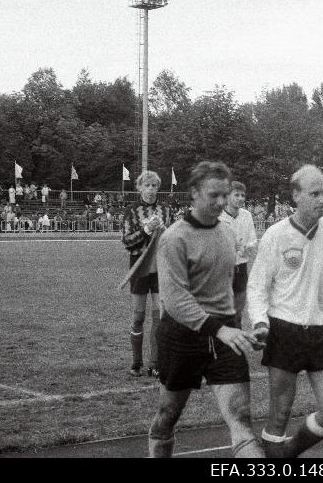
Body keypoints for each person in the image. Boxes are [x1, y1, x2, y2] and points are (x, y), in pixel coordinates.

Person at [150, 161, 264, 458]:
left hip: (224, 335)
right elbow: (175, 300)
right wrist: (220, 329)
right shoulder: (174, 238)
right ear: (194, 193)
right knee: (167, 416)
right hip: (182, 335)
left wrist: (240, 327)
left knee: (241, 419)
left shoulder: (228, 234)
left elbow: (235, 285)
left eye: (225, 195)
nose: (221, 202)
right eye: (214, 195)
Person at [247, 164, 323, 458]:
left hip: (322, 332)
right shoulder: (275, 235)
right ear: (295, 196)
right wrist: (260, 322)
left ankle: (289, 454)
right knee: (280, 414)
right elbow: (257, 286)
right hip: (284, 330)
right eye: (315, 193)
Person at [122, 170, 171, 377]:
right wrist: (146, 231)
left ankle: (155, 363)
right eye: (147, 186)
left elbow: (171, 240)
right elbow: (127, 241)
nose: (151, 190)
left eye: (154, 186)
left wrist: (164, 229)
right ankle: (136, 362)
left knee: (159, 316)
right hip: (140, 265)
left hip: (160, 266)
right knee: (138, 315)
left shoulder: (165, 209)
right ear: (139, 187)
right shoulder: (132, 211)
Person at [218, 181, 258, 328]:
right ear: (227, 196)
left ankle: (236, 345)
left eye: (243, 195)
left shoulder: (246, 215)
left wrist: (245, 247)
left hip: (241, 268)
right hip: (222, 269)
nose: (241, 198)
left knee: (238, 310)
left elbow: (253, 241)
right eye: (237, 195)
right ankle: (221, 343)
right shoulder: (218, 215)